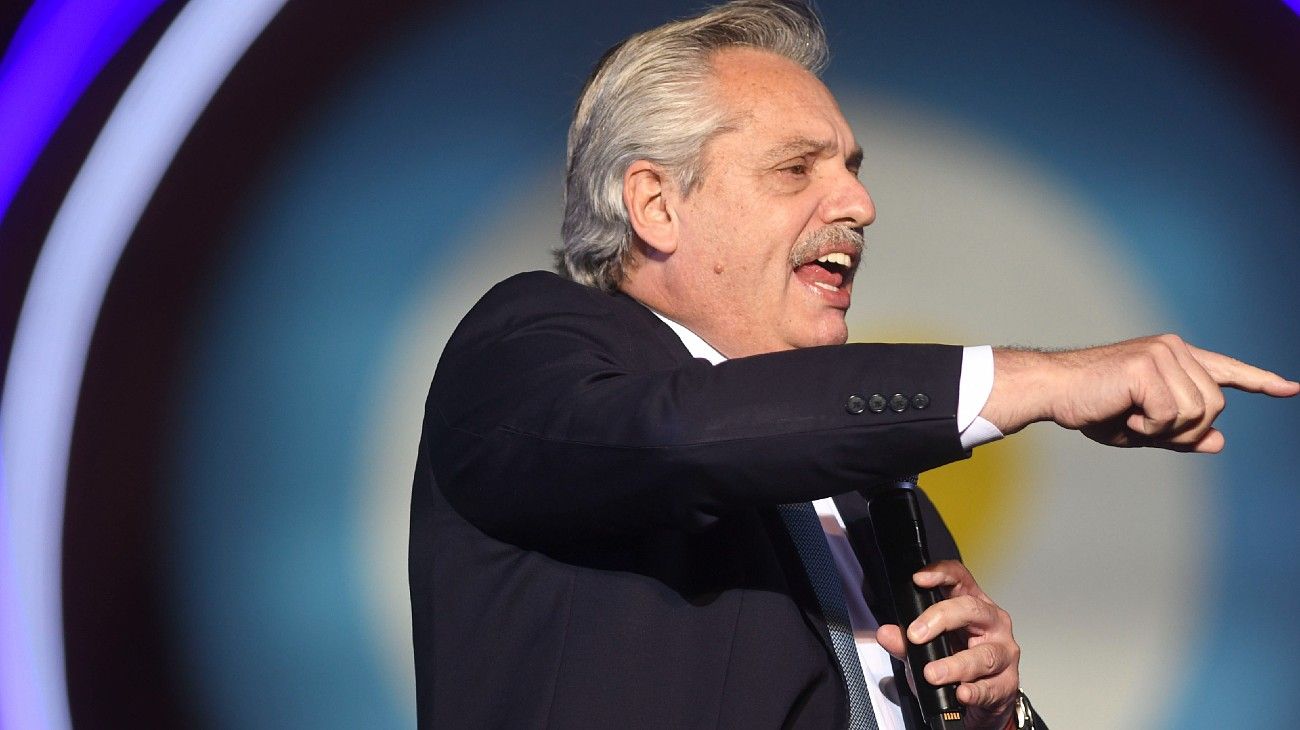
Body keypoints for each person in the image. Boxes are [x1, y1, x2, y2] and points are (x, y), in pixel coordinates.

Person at [408, 2, 1298, 728]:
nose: (860, 204)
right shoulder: (528, 344)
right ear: (655, 205)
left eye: (852, 168)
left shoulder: (870, 485)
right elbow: (682, 438)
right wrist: (1038, 380)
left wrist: (994, 716)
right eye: (797, 169)